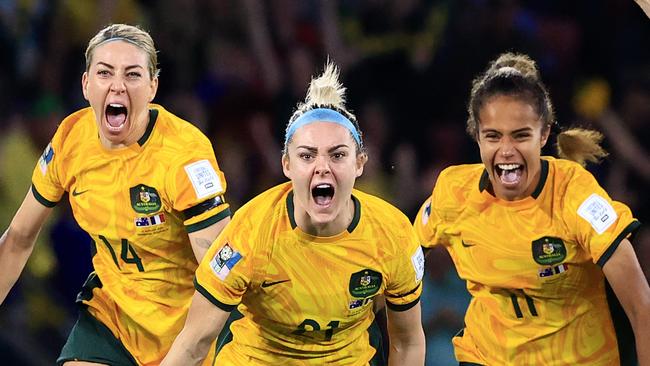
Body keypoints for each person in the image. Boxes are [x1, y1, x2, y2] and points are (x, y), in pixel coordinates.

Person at [162, 62, 426, 366]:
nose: (322, 167)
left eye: (338, 154)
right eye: (307, 155)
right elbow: (193, 344)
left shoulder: (392, 234)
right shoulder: (250, 232)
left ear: (360, 163)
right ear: (287, 165)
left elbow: (408, 343)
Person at [0, 24, 231, 366]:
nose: (117, 85)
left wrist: (189, 350)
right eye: (105, 72)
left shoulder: (185, 155)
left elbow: (221, 276)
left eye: (133, 74)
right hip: (113, 319)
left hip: (188, 329)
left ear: (153, 86)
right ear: (86, 84)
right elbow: (18, 239)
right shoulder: (70, 140)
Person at [414, 52, 650, 365]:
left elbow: (641, 307)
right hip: (486, 357)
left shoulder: (573, 194)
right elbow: (403, 262)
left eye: (521, 135)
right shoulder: (453, 192)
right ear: (477, 137)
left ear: (544, 134)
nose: (506, 150)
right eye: (493, 136)